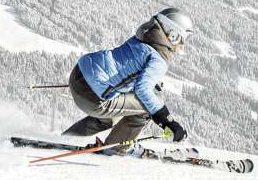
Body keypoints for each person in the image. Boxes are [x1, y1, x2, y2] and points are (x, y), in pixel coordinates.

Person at [62, 8, 192, 153]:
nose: (182, 45)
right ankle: (116, 148)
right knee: (146, 109)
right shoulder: (158, 60)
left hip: (78, 75)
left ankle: (66, 138)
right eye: (182, 39)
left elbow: (127, 68)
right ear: (172, 35)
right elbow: (142, 90)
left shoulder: (141, 38)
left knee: (111, 115)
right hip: (92, 99)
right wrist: (168, 121)